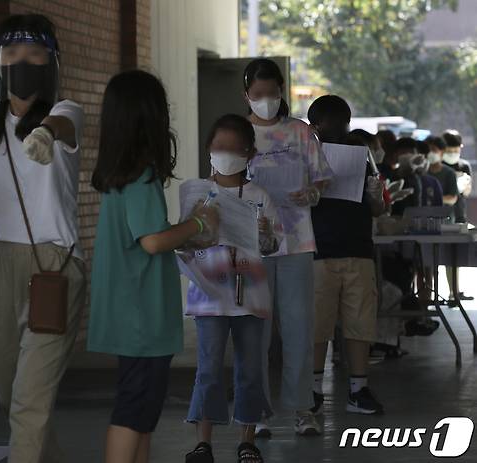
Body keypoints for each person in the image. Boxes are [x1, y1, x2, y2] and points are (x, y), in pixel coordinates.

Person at [0, 15, 84, 462]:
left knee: (31, 395)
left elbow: (63, 127)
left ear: (50, 61)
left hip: (53, 264)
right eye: (10, 54)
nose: (21, 62)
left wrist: (45, 134)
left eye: (32, 53)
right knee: (13, 394)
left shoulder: (65, 112)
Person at [88, 70, 219, 463]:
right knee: (134, 411)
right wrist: (199, 223)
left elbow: (151, 234)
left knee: (143, 414)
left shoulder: (119, 176)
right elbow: (153, 241)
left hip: (131, 313)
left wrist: (185, 231)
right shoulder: (141, 177)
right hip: (141, 315)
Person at [243, 58, 334, 437]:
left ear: (282, 92)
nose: (265, 100)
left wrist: (313, 191)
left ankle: (301, 408)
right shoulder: (238, 134)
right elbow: (221, 182)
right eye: (258, 94)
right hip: (252, 245)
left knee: (299, 327)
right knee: (255, 333)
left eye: (272, 93)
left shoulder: (299, 132)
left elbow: (323, 177)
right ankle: (258, 411)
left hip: (297, 242)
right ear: (246, 94)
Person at [184, 115, 279, 463]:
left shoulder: (259, 196)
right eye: (218, 146)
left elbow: (272, 246)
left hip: (250, 296)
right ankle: (202, 442)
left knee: (250, 369)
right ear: (209, 149)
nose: (224, 154)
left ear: (248, 153)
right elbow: (187, 243)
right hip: (209, 295)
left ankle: (247, 440)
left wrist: (265, 233)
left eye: (232, 148)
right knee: (207, 369)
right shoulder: (198, 193)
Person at [307, 96, 386, 419]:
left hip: (358, 250)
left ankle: (358, 388)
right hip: (318, 251)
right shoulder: (305, 158)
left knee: (359, 324)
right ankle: (312, 391)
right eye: (329, 122)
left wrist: (374, 194)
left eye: (342, 121)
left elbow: (379, 208)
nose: (337, 128)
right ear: (314, 127)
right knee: (317, 326)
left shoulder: (362, 155)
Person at [442, 129, 473, 304]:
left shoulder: (464, 165)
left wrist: (463, 183)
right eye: (449, 150)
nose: (453, 153)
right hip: (444, 215)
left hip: (459, 214)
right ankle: (450, 292)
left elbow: (467, 191)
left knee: (456, 255)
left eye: (456, 150)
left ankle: (456, 290)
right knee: (445, 256)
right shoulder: (439, 166)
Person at [425, 137, 458, 209]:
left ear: (442, 152)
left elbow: (452, 198)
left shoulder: (449, 173)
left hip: (443, 215)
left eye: (433, 150)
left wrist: (433, 199)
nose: (430, 153)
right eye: (428, 150)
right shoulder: (422, 172)